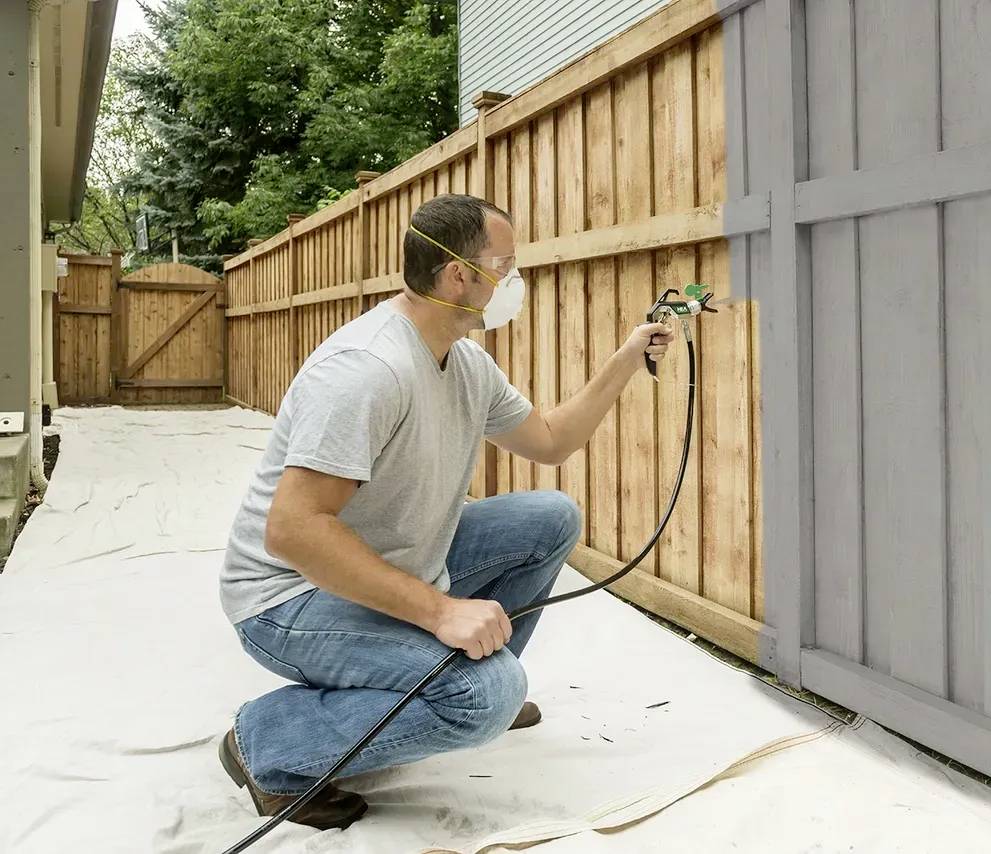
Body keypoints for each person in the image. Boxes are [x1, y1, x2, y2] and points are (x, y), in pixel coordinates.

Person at [216, 193, 675, 829]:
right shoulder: (366, 370)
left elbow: (549, 440)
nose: (514, 281)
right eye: (506, 265)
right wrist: (441, 611)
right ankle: (268, 741)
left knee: (550, 518)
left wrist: (628, 359)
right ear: (460, 274)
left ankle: (472, 669)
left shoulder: (463, 361)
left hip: (387, 563)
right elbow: (294, 531)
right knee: (482, 699)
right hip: (288, 599)